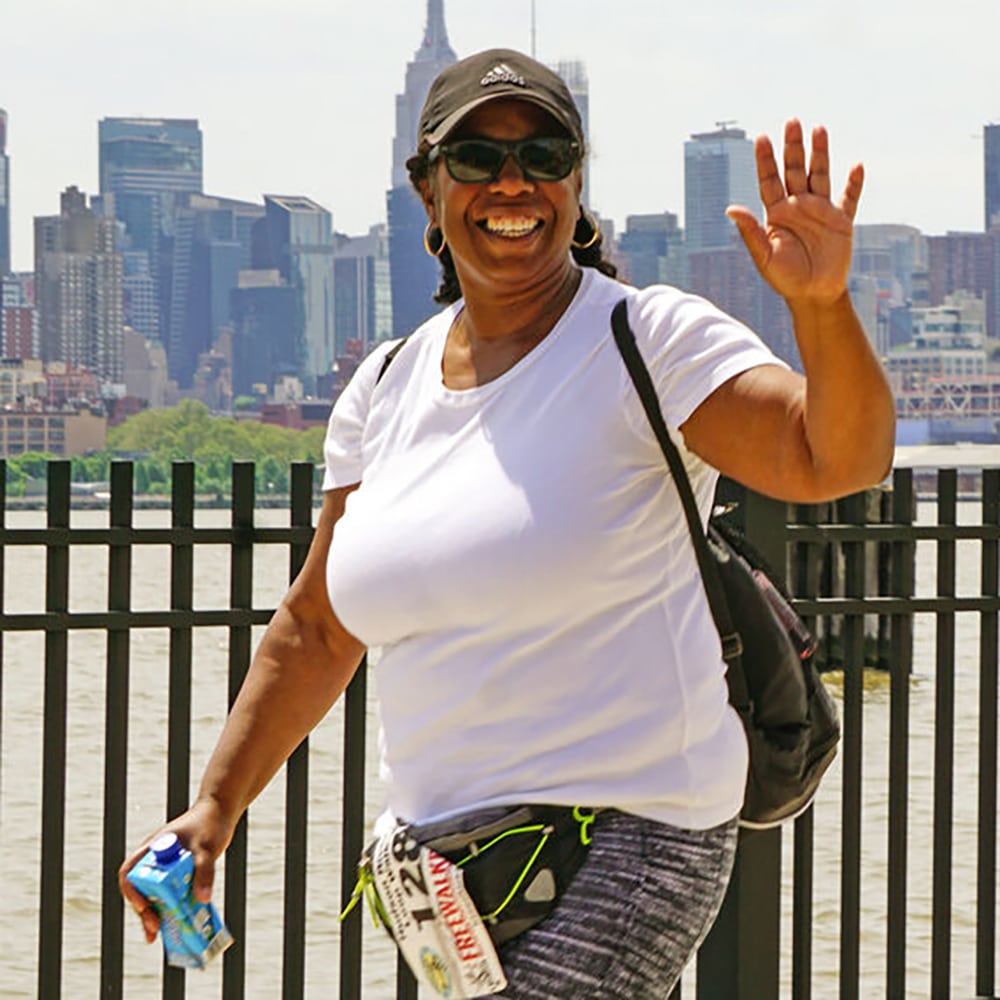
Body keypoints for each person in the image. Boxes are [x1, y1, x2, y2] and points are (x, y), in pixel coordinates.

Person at [120, 48, 895, 997]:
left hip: (629, 835)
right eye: (478, 158)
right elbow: (316, 628)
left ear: (577, 179)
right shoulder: (384, 386)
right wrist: (214, 807)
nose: (513, 182)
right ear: (428, 188)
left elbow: (833, 459)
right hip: (449, 873)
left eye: (543, 154)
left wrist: (822, 308)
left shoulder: (646, 339)